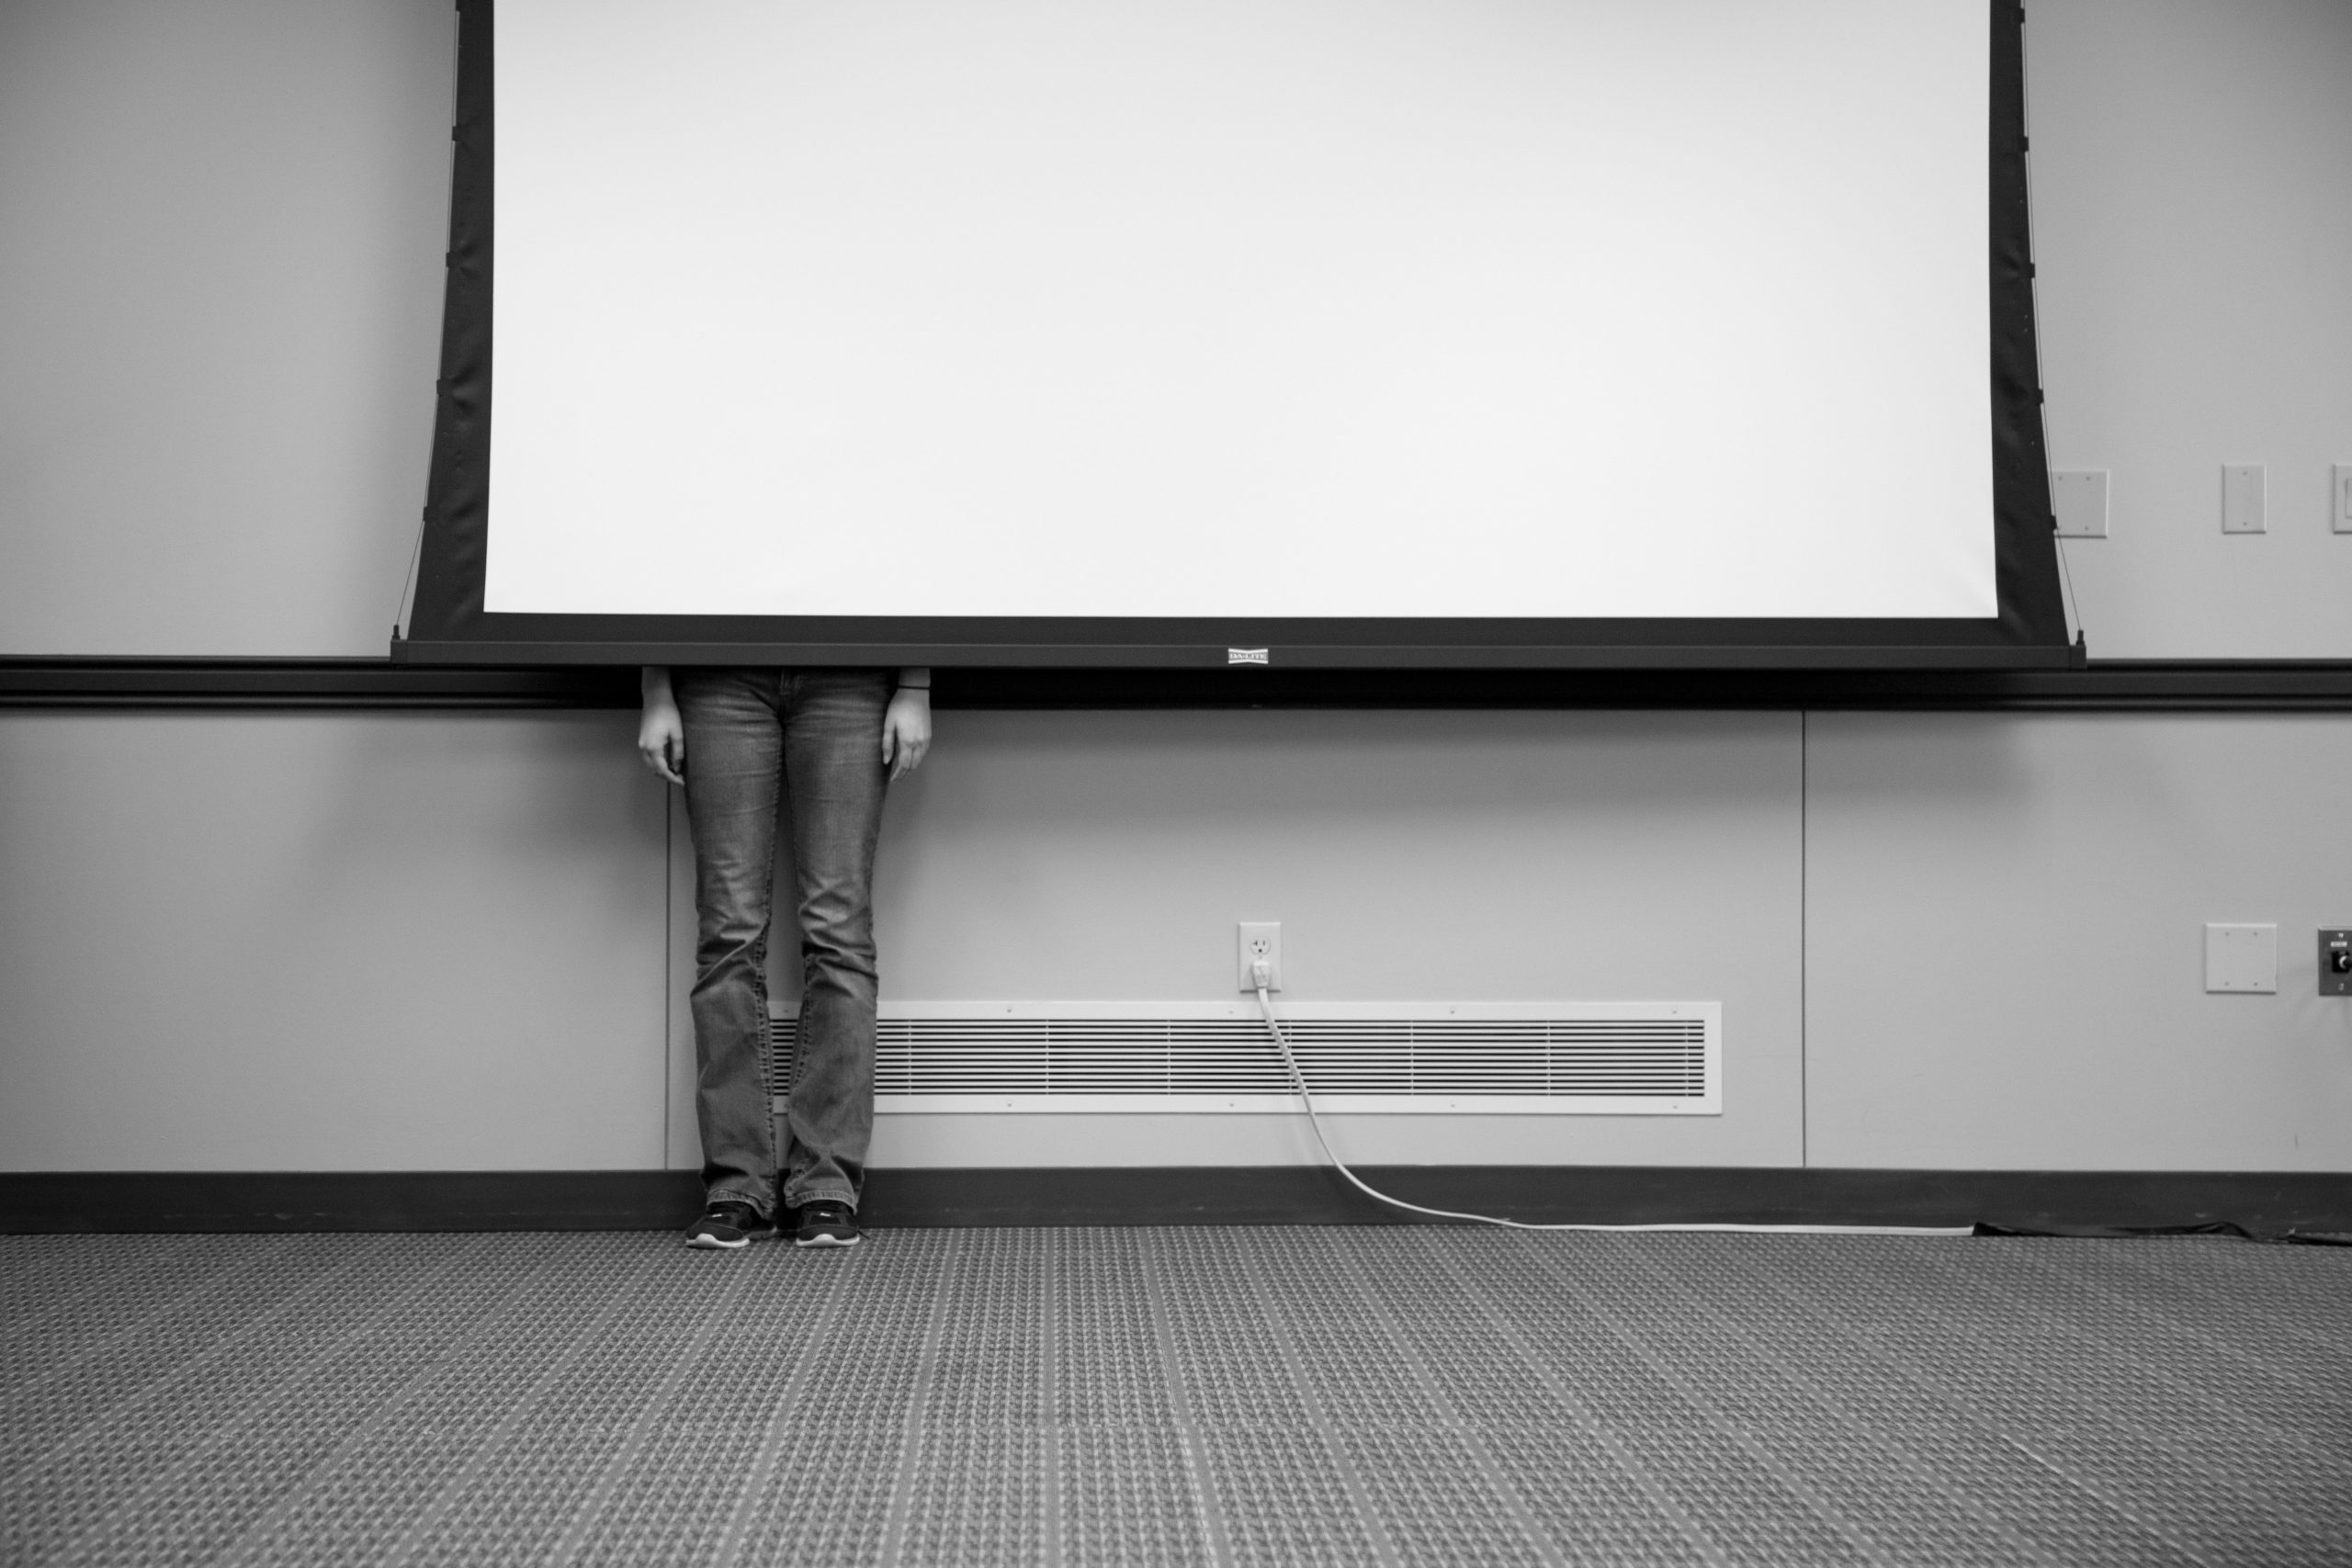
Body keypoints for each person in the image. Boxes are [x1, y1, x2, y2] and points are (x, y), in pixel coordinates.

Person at [638, 665, 932, 1249]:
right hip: (717, 680)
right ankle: (736, 1185)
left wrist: (916, 684)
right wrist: (656, 689)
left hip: (851, 680)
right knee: (728, 935)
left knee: (839, 931)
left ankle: (826, 1184)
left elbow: (917, 570)